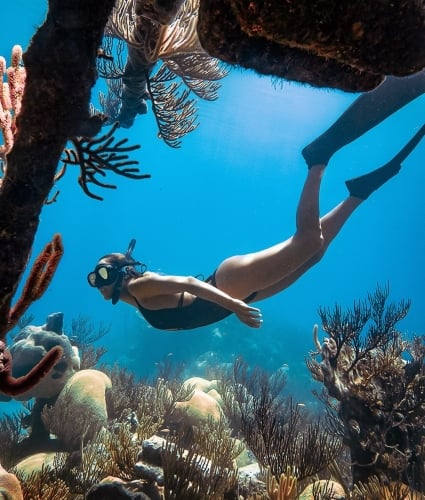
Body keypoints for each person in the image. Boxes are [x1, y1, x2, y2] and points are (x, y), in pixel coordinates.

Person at [87, 73, 425, 331]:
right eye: (97, 276)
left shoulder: (141, 286)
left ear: (121, 273)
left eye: (101, 273)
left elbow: (189, 285)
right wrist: (235, 305)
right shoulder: (136, 300)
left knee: (307, 241)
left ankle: (318, 159)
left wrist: (234, 306)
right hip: (237, 293)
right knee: (314, 255)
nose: (98, 282)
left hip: (230, 285)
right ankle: (358, 193)